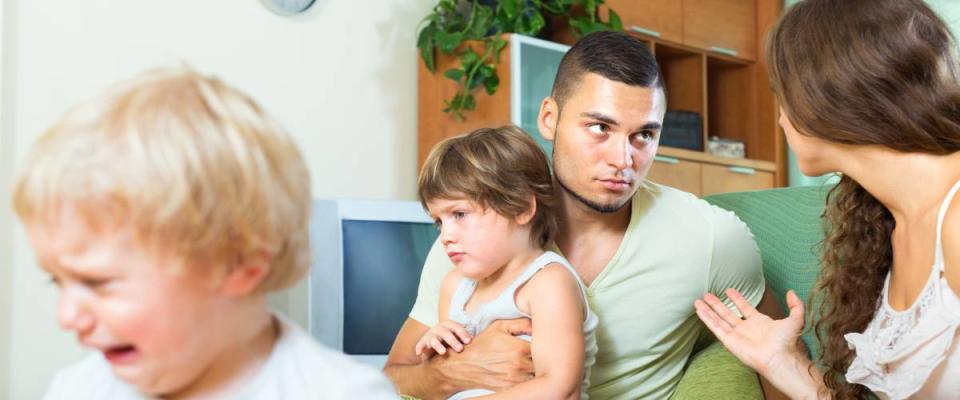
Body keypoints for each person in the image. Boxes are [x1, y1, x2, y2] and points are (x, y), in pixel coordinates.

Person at [385, 31, 769, 399]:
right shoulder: (475, 239)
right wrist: (452, 372)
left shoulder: (710, 236)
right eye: (600, 127)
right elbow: (393, 375)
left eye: (644, 136)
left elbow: (774, 353)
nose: (623, 160)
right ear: (549, 118)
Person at [12, 67, 399, 399]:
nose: (66, 316)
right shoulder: (80, 389)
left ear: (239, 265)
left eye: (97, 282)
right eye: (56, 281)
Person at [694, 1, 960, 399]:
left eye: (781, 96)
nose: (781, 119)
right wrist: (783, 362)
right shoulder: (892, 230)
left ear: (823, 93)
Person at [415, 125, 598, 399]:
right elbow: (449, 378)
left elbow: (561, 390)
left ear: (523, 208)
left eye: (460, 214)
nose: (445, 235)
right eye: (438, 222)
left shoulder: (548, 283)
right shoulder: (454, 288)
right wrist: (435, 351)